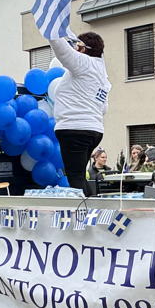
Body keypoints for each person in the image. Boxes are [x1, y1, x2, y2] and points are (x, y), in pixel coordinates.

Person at [47, 32, 110, 192]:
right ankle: (92, 209)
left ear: (82, 48)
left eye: (76, 45)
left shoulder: (84, 63)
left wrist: (51, 30)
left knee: (75, 177)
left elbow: (61, 50)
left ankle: (85, 214)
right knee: (79, 176)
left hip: (74, 129)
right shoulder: (102, 74)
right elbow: (103, 108)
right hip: (93, 130)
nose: (73, 48)